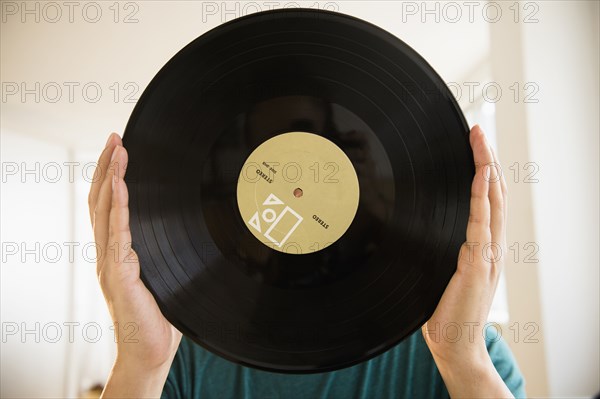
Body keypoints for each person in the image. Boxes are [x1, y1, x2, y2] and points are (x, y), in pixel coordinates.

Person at [88, 125, 525, 398]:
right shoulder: (181, 355)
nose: (301, 195)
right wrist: (139, 366)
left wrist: (462, 362)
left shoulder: (469, 353)